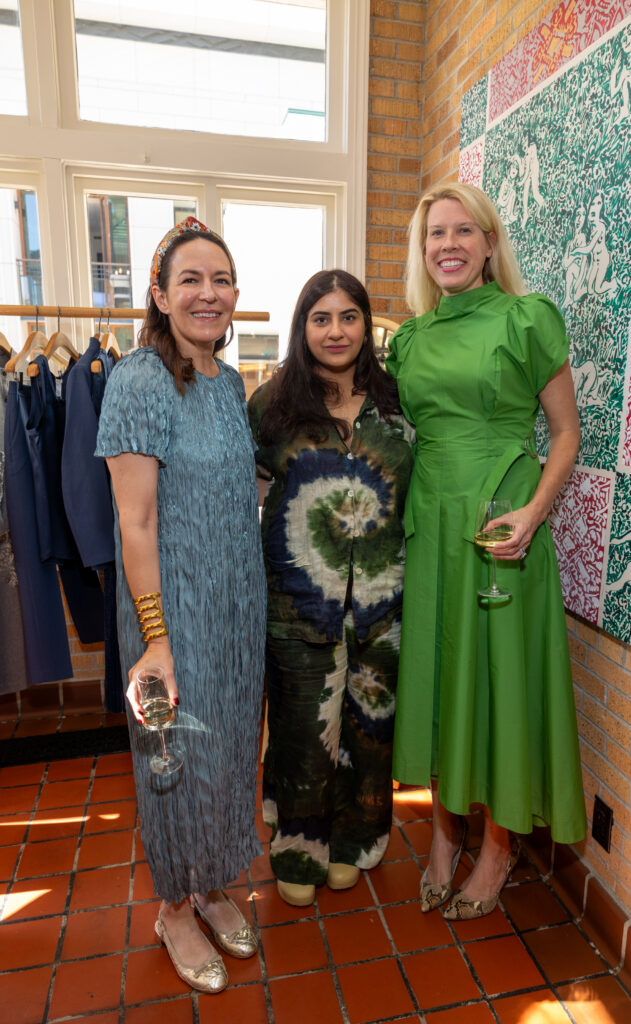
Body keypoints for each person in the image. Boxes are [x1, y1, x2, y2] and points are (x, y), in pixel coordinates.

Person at [387, 182, 586, 920]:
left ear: (488, 242)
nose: (447, 244)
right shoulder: (407, 338)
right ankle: (443, 835)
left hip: (502, 523)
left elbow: (564, 432)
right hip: (432, 525)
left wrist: (534, 513)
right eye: (435, 233)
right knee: (442, 679)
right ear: (422, 249)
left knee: (498, 681)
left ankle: (498, 847)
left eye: (462, 231)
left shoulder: (524, 318)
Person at [95, 217, 266, 991]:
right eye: (189, 280)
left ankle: (211, 884)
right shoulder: (137, 379)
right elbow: (134, 522)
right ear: (160, 294)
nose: (208, 293)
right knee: (172, 760)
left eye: (220, 280)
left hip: (237, 604)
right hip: (171, 614)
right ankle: (172, 907)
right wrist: (157, 641)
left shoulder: (229, 382)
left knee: (229, 749)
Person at [248, 269, 414, 907]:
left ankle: (352, 840)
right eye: (322, 318)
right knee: (302, 729)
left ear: (366, 326)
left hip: (381, 603)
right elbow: (251, 491)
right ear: (303, 326)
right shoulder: (271, 405)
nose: (337, 330)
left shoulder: (398, 403)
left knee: (368, 725)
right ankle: (299, 847)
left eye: (349, 317)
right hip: (297, 605)